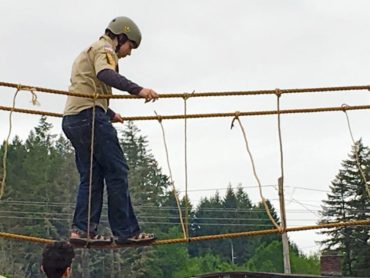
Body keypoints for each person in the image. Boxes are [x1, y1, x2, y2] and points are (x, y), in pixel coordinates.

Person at [62, 16, 157, 245]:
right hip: (89, 118)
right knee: (117, 171)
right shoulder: (105, 49)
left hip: (73, 119)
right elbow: (105, 74)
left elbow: (88, 87)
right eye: (130, 46)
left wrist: (108, 112)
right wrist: (138, 90)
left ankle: (83, 230)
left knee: (92, 176)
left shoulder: (88, 50)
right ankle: (126, 232)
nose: (129, 52)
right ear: (121, 37)